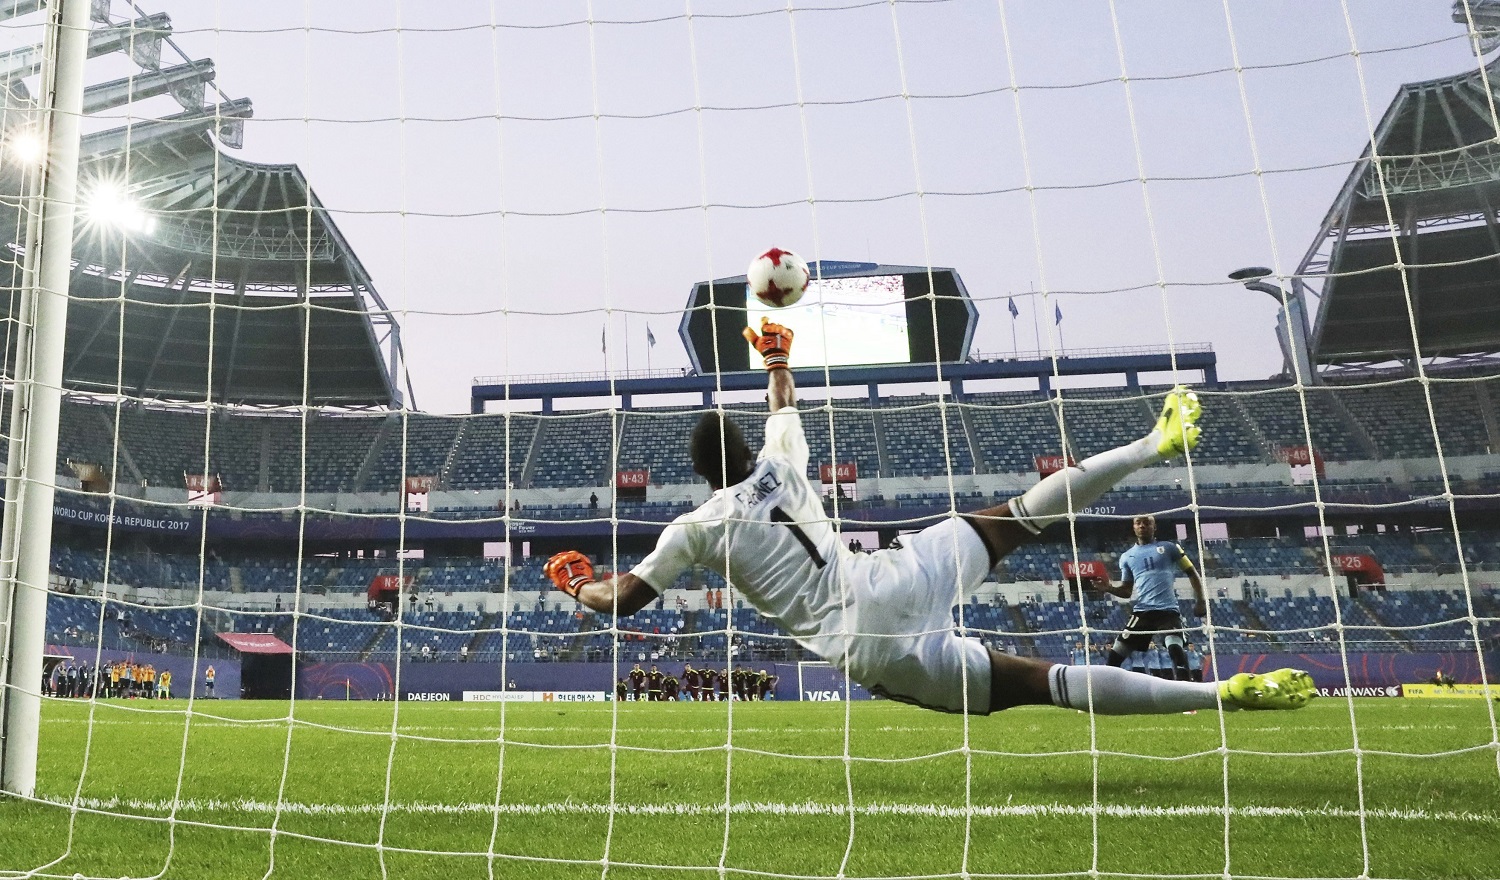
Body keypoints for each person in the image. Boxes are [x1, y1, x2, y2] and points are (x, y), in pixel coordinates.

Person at [544, 319, 1312, 717]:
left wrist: (578, 587)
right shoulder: (779, 462)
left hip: (867, 646)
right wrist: (776, 355)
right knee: (1019, 516)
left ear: (702, 473)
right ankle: (1152, 441)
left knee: (1049, 685)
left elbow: (622, 601)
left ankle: (1219, 699)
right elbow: (783, 404)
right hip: (893, 574)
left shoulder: (695, 526)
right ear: (746, 450)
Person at [1098, 515, 1207, 683]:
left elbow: (1192, 572)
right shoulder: (1127, 557)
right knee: (1115, 654)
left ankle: (1189, 693)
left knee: (1175, 648)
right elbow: (1127, 591)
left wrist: (1200, 601)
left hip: (1168, 611)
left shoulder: (1170, 548)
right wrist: (1108, 588)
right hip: (1142, 612)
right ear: (1133, 527)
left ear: (1154, 527)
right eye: (1138, 523)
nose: (1142, 526)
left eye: (1147, 523)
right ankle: (1103, 694)